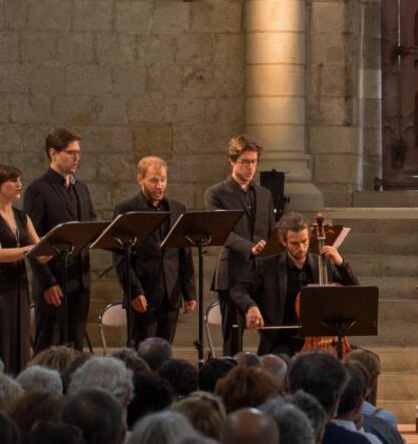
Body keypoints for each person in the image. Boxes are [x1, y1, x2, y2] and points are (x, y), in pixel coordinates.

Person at [230, 211, 359, 356]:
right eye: (295, 243)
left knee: (365, 359)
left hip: (324, 339)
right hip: (283, 342)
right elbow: (238, 289)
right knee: (284, 363)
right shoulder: (267, 266)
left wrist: (341, 264)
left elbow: (356, 292)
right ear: (284, 242)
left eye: (304, 241)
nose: (301, 248)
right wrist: (250, 306)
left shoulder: (323, 264)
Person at [23, 127, 97, 351]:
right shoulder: (38, 190)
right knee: (49, 347)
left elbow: (91, 225)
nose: (77, 158)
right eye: (71, 152)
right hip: (53, 281)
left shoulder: (81, 188)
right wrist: (47, 282)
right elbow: (32, 242)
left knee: (76, 346)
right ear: (53, 154)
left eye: (78, 152)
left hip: (80, 280)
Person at [205, 135, 279, 356]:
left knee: (272, 333)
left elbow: (271, 230)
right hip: (233, 272)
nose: (250, 167)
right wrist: (249, 247)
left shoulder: (265, 194)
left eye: (254, 162)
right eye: (245, 162)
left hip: (262, 273)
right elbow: (221, 232)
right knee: (233, 339)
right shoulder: (216, 193)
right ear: (232, 160)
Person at [113, 156, 196, 344]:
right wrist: (134, 291)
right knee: (141, 351)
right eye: (154, 180)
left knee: (165, 350)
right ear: (140, 179)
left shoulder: (178, 208)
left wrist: (189, 292)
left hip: (171, 293)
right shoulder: (126, 209)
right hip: (143, 293)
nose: (160, 186)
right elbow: (121, 258)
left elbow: (184, 254)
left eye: (163, 180)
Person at [0, 163, 39, 373]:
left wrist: (61, 244)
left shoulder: (22, 216)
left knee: (19, 340)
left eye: (19, 179)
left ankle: (17, 383)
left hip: (18, 284)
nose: (19, 184)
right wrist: (29, 249)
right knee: (0, 339)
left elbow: (41, 250)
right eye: (12, 180)